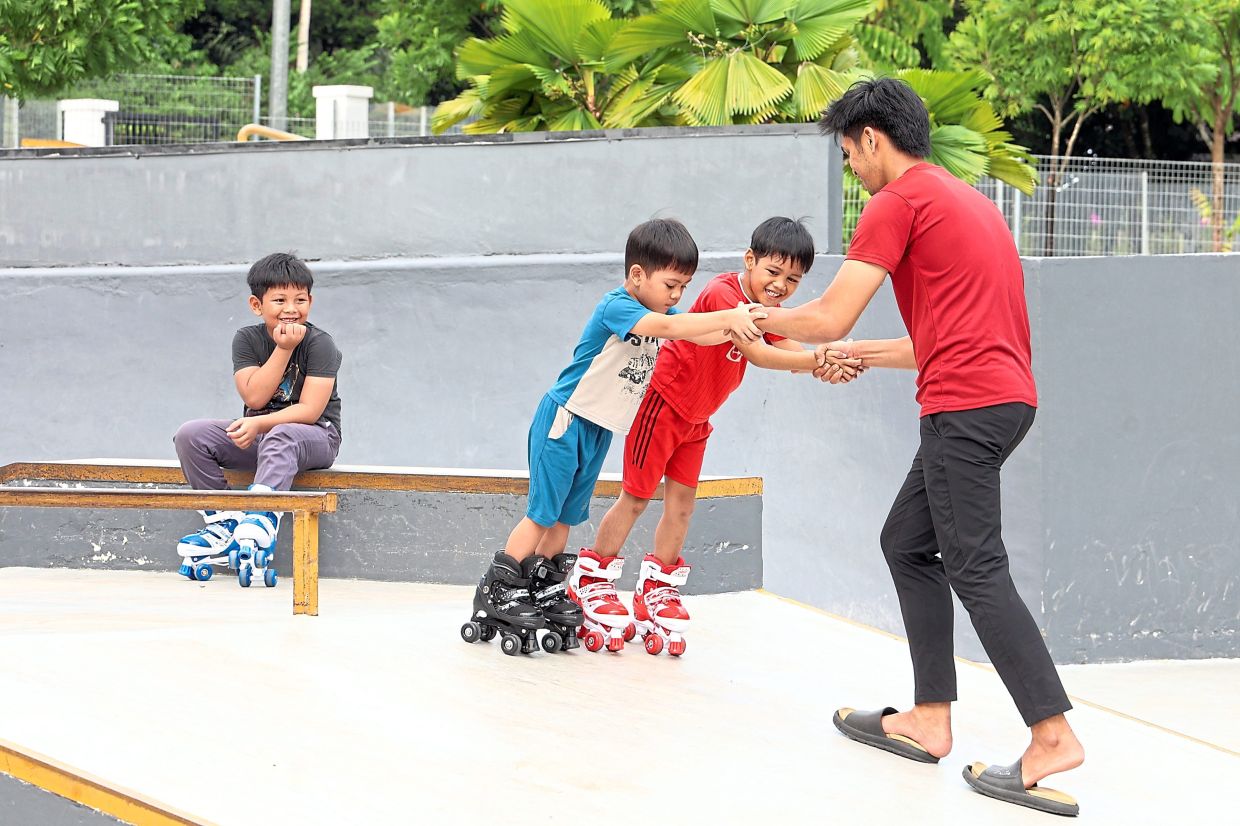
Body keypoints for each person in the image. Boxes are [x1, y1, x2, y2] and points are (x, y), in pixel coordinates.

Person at [758, 78, 1084, 817]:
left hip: (963, 405)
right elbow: (932, 340)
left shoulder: (895, 202)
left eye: (850, 154)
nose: (852, 170)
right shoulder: (965, 201)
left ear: (873, 138)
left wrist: (749, 320)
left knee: (974, 565)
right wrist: (858, 356)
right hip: (1002, 398)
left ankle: (1051, 733)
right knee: (908, 542)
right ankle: (930, 717)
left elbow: (831, 315)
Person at [459, 218, 768, 657]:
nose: (677, 296)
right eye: (671, 285)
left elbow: (698, 330)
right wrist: (730, 314)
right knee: (542, 515)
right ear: (638, 275)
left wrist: (741, 325)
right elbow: (671, 329)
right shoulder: (618, 307)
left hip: (597, 427)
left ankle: (542, 587)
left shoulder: (663, 313)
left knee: (566, 517)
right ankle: (497, 590)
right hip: (564, 420)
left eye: (684, 287)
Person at [577, 217, 860, 657]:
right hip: (664, 403)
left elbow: (785, 345)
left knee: (683, 506)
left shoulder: (764, 310)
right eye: (772, 272)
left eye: (793, 279)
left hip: (697, 420)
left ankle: (657, 587)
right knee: (636, 497)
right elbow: (762, 355)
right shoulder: (724, 296)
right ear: (750, 261)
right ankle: (593, 577)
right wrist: (814, 362)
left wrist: (821, 360)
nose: (780, 285)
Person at [172, 252, 342, 588]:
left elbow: (309, 411)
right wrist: (282, 350)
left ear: (311, 301)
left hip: (315, 437)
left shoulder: (321, 344)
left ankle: (263, 514)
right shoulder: (247, 340)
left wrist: (261, 424)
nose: (291, 309)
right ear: (256, 304)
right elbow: (254, 398)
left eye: (300, 300)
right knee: (191, 435)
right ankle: (224, 522)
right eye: (279, 300)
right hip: (263, 437)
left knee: (283, 434)